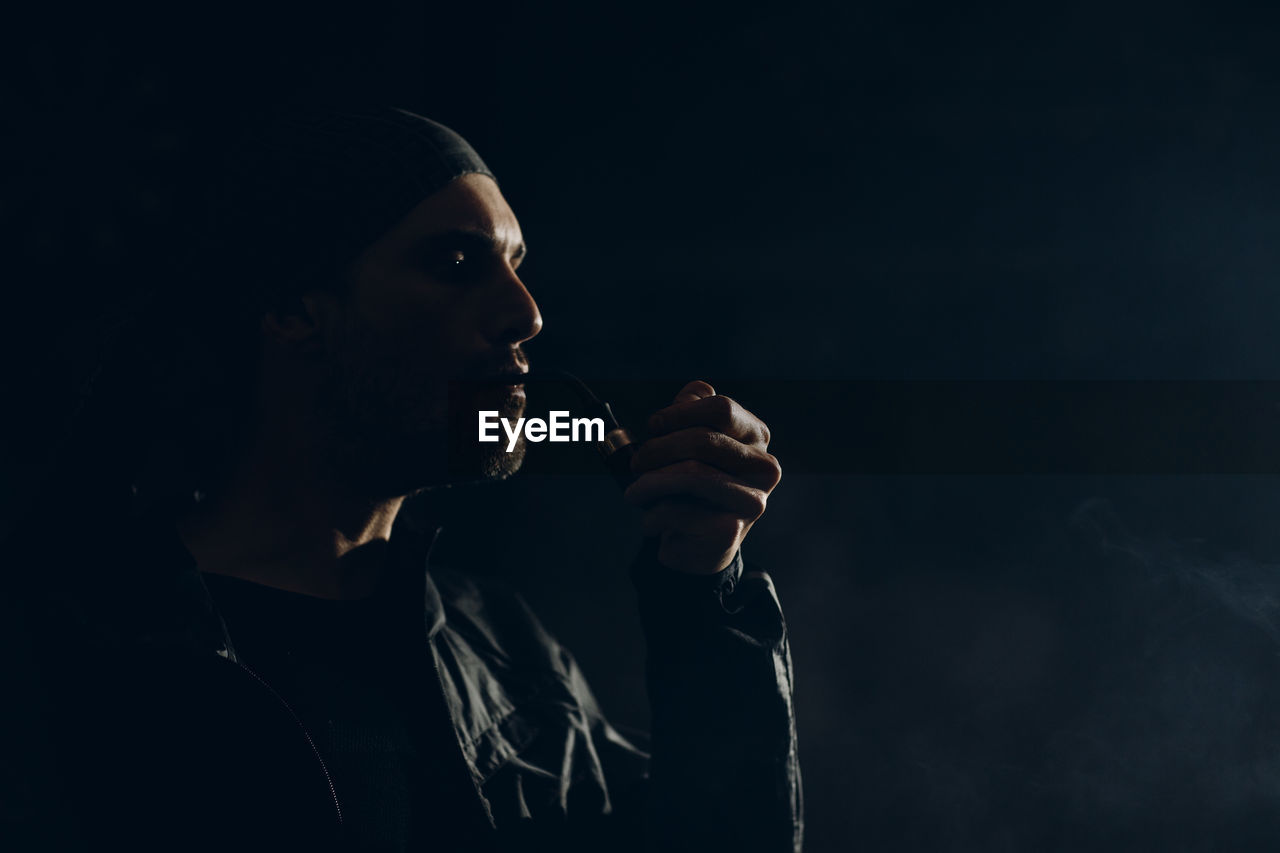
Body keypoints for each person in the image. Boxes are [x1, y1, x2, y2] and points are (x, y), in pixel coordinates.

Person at [3, 107, 801, 852]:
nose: (526, 315)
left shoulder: (507, 652)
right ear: (292, 308)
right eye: (457, 263)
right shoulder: (71, 649)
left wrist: (702, 595)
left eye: (516, 265)